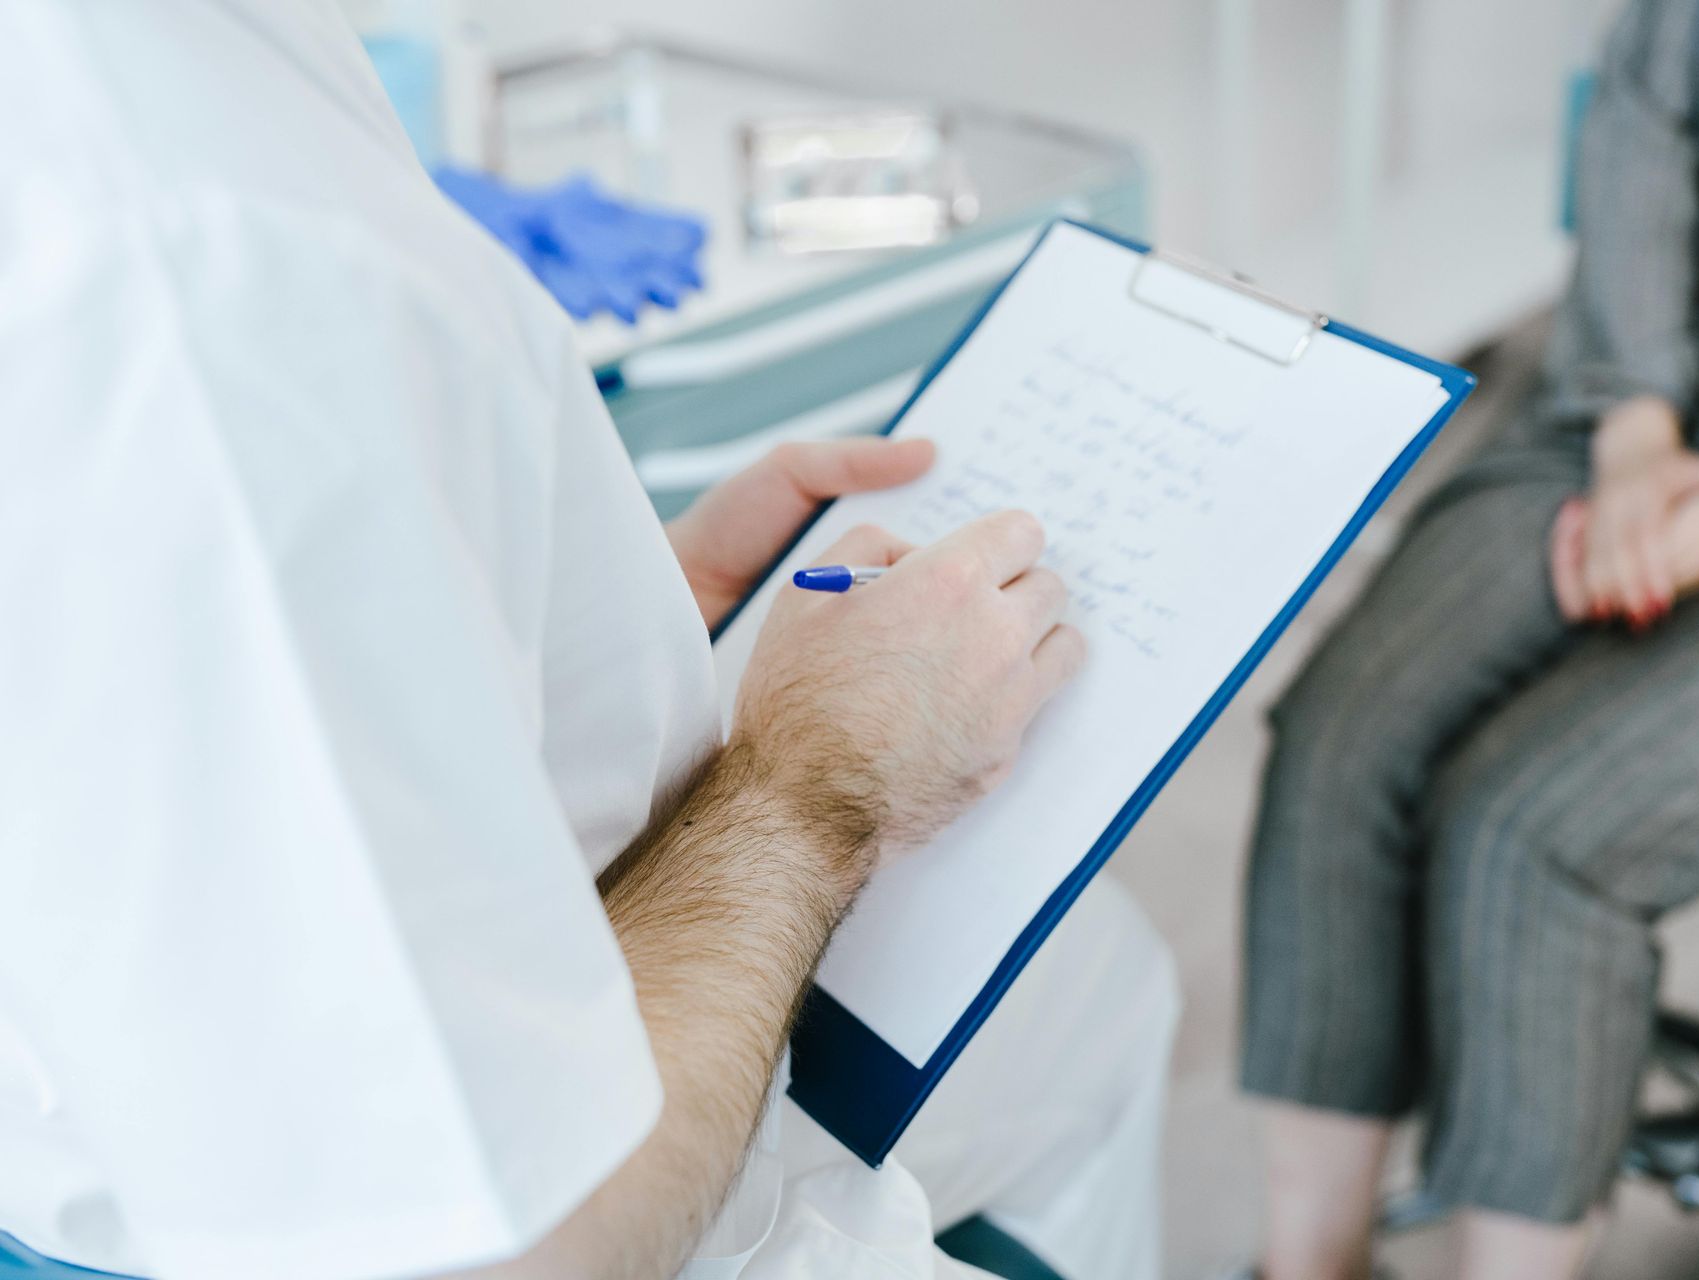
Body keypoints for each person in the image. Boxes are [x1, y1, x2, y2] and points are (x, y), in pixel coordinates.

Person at [0, 3, 1178, 1279]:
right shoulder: (200, 282)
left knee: (1105, 977)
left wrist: (587, 598)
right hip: (568, 1213)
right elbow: (512, 1251)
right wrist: (815, 769)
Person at [1239, 0, 1699, 1276]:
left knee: (1530, 829)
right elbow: (1640, 142)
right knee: (1345, 734)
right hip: (1635, 414)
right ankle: (1306, 1259)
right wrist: (1639, 438)